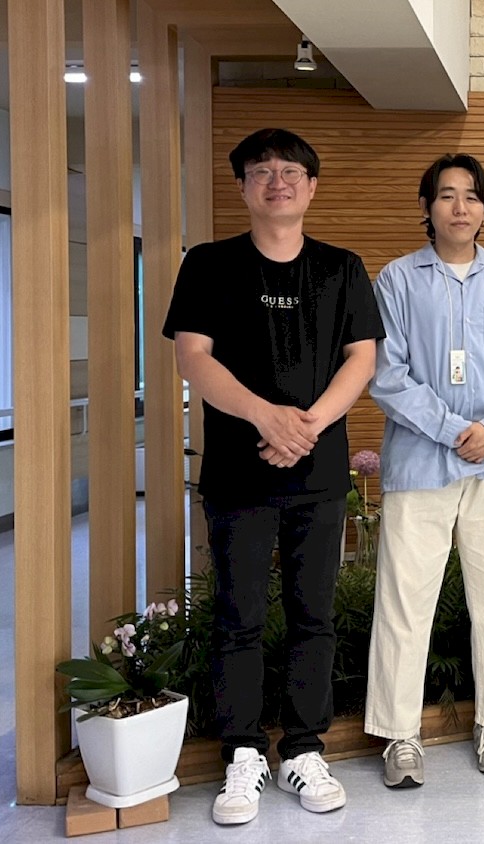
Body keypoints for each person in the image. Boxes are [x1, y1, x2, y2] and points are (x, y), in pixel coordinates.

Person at [162, 128, 384, 824]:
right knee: (240, 617)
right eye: (261, 171)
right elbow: (192, 357)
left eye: (291, 171)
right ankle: (242, 753)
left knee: (315, 615)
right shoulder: (208, 264)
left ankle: (305, 749)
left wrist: (305, 427)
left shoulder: (341, 267)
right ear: (243, 187)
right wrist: (266, 417)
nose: (277, 181)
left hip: (318, 474)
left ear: (312, 187)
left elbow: (362, 357)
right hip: (239, 473)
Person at [364, 153, 484, 789]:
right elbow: (387, 373)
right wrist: (449, 430)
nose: (460, 207)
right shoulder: (396, 280)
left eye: (471, 196)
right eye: (446, 195)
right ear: (428, 207)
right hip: (420, 464)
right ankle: (400, 734)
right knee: (405, 601)